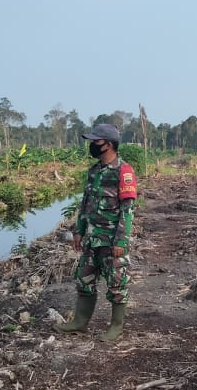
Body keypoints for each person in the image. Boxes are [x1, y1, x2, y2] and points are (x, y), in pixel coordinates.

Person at [54, 123, 138, 342]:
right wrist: (78, 231)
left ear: (108, 144)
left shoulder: (124, 171)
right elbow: (85, 204)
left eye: (96, 141)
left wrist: (121, 239)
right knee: (84, 280)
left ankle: (116, 327)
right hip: (91, 238)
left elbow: (127, 210)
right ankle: (79, 323)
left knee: (117, 284)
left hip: (112, 240)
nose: (92, 145)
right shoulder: (94, 172)